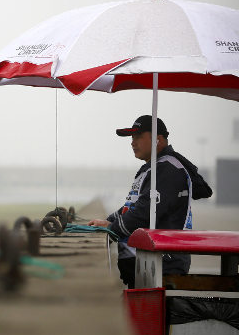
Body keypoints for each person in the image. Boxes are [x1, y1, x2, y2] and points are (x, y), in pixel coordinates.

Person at [88, 115, 212, 288]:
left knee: (146, 315)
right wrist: (110, 220)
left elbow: (144, 213)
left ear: (158, 140)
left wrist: (111, 228)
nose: (132, 142)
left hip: (161, 265)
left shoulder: (168, 170)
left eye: (138, 137)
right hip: (148, 263)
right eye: (132, 138)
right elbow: (132, 207)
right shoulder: (153, 167)